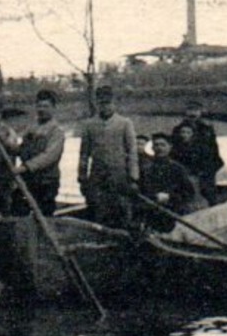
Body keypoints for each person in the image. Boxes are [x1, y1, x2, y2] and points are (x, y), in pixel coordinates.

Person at [78, 86, 139, 227]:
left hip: (119, 175)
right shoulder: (89, 124)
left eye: (107, 103)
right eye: (101, 103)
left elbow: (132, 151)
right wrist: (82, 176)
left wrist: (134, 177)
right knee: (99, 209)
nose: (104, 107)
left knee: (123, 207)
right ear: (97, 104)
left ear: (114, 103)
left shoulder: (125, 123)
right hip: (97, 175)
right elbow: (84, 154)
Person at [13, 88, 66, 214]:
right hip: (28, 179)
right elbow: (22, 149)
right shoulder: (31, 128)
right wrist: (9, 146)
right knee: (18, 207)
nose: (41, 109)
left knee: (44, 213)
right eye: (39, 106)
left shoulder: (57, 131)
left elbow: (49, 156)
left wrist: (25, 167)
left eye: (46, 106)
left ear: (53, 108)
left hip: (46, 181)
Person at [138, 133, 198, 232]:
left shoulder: (178, 169)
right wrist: (153, 197)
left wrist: (170, 197)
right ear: (152, 148)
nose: (159, 148)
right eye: (156, 145)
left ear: (170, 147)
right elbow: (141, 192)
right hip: (151, 214)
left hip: (173, 214)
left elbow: (189, 193)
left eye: (163, 145)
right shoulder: (146, 169)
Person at [175, 100, 224, 202]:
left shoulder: (207, 129)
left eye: (196, 110)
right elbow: (175, 151)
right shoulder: (178, 130)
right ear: (185, 112)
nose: (192, 113)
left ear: (201, 112)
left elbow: (214, 150)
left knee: (208, 194)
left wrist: (212, 167)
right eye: (190, 110)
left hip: (205, 169)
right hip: (186, 167)